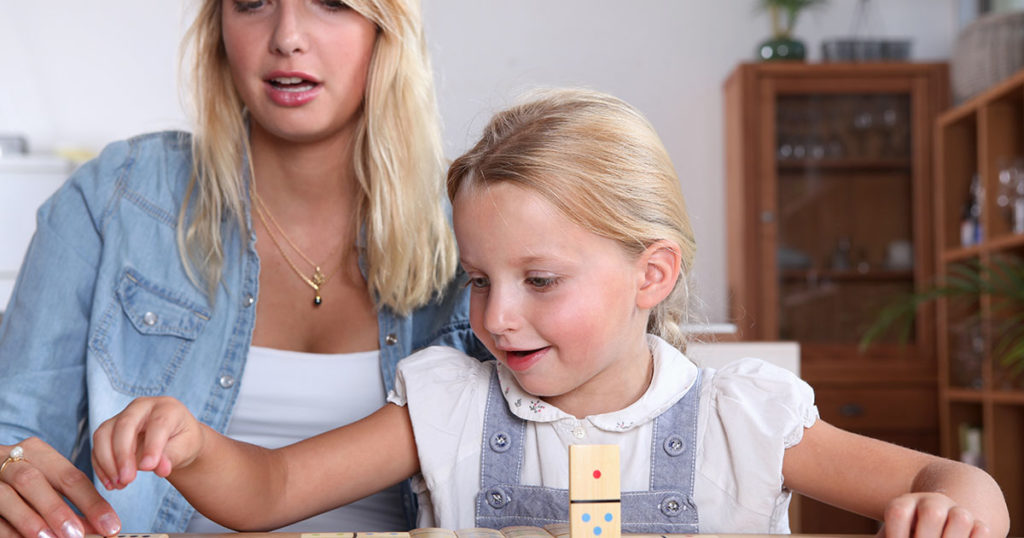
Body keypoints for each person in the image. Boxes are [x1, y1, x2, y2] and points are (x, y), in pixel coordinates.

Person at [87, 88, 1008, 537]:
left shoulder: (744, 418)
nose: (497, 317)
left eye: (540, 280)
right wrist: (194, 447)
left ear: (652, 274)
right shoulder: (447, 402)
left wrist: (957, 514)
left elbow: (957, 483)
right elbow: (271, 491)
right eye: (479, 279)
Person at [0, 0, 488, 537]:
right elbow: (14, 432)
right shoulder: (116, 197)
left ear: (385, 26)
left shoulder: (477, 223)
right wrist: (10, 472)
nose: (287, 36)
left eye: (330, 3)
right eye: (253, 2)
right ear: (219, 27)